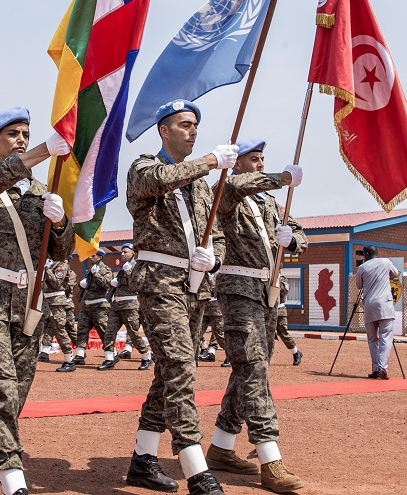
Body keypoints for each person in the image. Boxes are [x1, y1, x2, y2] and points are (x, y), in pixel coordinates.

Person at [0, 106, 73, 495]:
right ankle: (15, 484)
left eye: (25, 133)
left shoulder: (41, 192)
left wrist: (61, 223)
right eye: (12, 135)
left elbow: (60, 252)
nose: (20, 139)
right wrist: (40, 150)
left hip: (28, 306)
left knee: (9, 400)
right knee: (1, 392)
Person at [125, 99, 233, 495]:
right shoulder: (142, 167)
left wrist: (215, 258)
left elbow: (215, 231)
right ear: (163, 131)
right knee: (180, 369)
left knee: (168, 372)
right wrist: (209, 160)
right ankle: (196, 466)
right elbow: (158, 180)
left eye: (195, 125)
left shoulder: (203, 186)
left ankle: (143, 458)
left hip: (195, 286)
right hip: (160, 282)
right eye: (184, 125)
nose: (193, 131)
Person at [207, 138, 306, 493]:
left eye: (263, 159)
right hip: (239, 291)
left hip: (269, 295)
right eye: (254, 159)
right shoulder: (228, 193)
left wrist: (291, 240)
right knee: (253, 369)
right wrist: (281, 177)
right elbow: (235, 185)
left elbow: (301, 234)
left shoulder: (272, 203)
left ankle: (220, 446)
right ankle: (269, 456)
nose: (260, 164)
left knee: (248, 369)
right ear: (238, 164)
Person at [102, 244, 153, 371]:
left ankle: (146, 357)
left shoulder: (136, 266)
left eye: (125, 252)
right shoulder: (123, 267)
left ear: (133, 253)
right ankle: (109, 359)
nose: (122, 254)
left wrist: (128, 271)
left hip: (130, 305)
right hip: (116, 305)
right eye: (122, 252)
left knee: (133, 333)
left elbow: (137, 284)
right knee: (109, 333)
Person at [354, 246, 400, 380]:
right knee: (385, 337)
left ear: (367, 254)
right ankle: (382, 368)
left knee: (372, 339)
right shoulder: (386, 262)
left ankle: (375, 368)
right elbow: (395, 273)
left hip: (370, 304)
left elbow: (358, 285)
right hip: (385, 304)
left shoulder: (363, 267)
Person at [75, 253, 115, 368]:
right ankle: (79, 356)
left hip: (100, 306)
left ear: (100, 257)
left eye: (93, 256)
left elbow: (106, 284)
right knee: (82, 330)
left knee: (104, 331)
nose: (90, 258)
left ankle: (110, 357)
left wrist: (96, 274)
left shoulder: (106, 269)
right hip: (87, 305)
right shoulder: (90, 270)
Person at [42, 260, 77, 372]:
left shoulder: (61, 265)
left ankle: (69, 361)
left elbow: (57, 283)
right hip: (45, 301)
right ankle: (42, 352)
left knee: (59, 330)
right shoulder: (49, 263)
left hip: (57, 302)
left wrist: (47, 269)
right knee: (40, 328)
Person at [274, 274, 303, 366]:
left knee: (283, 332)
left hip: (279, 310)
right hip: (267, 310)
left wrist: (275, 281)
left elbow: (283, 292)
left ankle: (296, 353)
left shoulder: (282, 280)